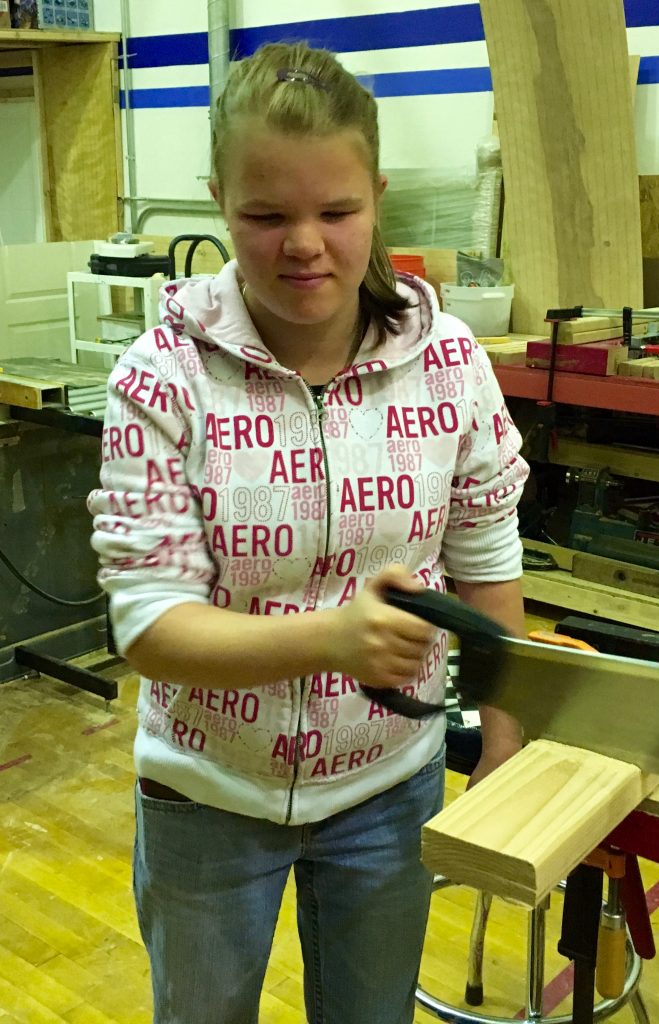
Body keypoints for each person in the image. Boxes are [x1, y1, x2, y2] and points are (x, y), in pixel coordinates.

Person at [88, 40, 529, 1024]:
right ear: (217, 199)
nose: (305, 244)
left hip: (388, 791)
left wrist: (505, 746)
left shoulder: (450, 363)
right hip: (207, 796)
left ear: (378, 193)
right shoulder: (162, 379)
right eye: (265, 215)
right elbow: (151, 624)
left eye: (337, 212)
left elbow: (489, 565)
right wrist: (331, 638)